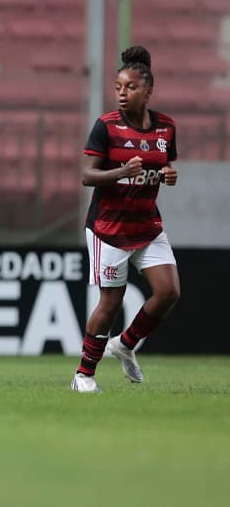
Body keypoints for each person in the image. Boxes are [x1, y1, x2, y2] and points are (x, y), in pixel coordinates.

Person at [71, 46, 180, 393]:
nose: (121, 93)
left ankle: (125, 344)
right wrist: (121, 170)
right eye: (118, 86)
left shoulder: (166, 128)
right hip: (109, 229)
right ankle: (83, 376)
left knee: (168, 292)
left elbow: (160, 164)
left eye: (130, 87)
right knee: (111, 302)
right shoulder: (106, 126)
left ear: (148, 90)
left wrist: (166, 174)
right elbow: (87, 176)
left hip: (146, 225)